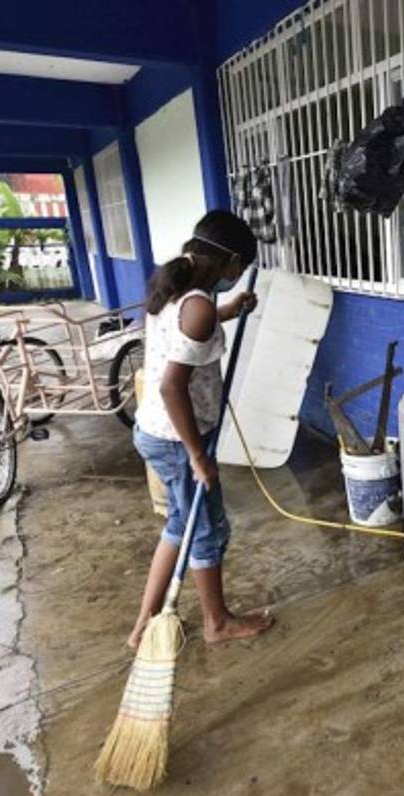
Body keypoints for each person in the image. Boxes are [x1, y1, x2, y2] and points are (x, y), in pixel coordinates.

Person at [128, 210, 273, 648]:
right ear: (230, 261)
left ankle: (143, 625)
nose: (238, 275)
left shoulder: (176, 290)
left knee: (179, 523)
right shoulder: (197, 306)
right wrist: (197, 455)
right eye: (240, 268)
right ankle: (217, 623)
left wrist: (229, 309)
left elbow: (192, 333)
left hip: (155, 430)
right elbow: (174, 386)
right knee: (206, 531)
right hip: (177, 438)